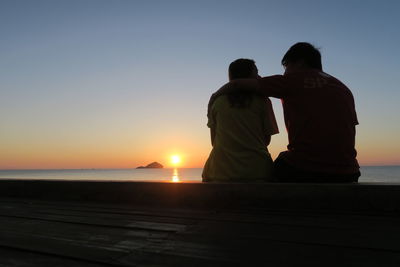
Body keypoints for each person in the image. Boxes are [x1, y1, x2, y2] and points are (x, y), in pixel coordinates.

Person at [209, 43, 360, 182]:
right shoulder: (343, 88)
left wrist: (214, 97)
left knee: (278, 166)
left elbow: (236, 84)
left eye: (286, 66)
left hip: (307, 168)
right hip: (349, 171)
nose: (285, 72)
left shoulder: (291, 81)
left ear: (300, 62)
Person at [202, 59, 279, 182]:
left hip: (219, 172)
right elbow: (266, 140)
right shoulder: (263, 101)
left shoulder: (217, 102)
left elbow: (213, 141)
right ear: (248, 76)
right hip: (258, 172)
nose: (259, 76)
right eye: (256, 72)